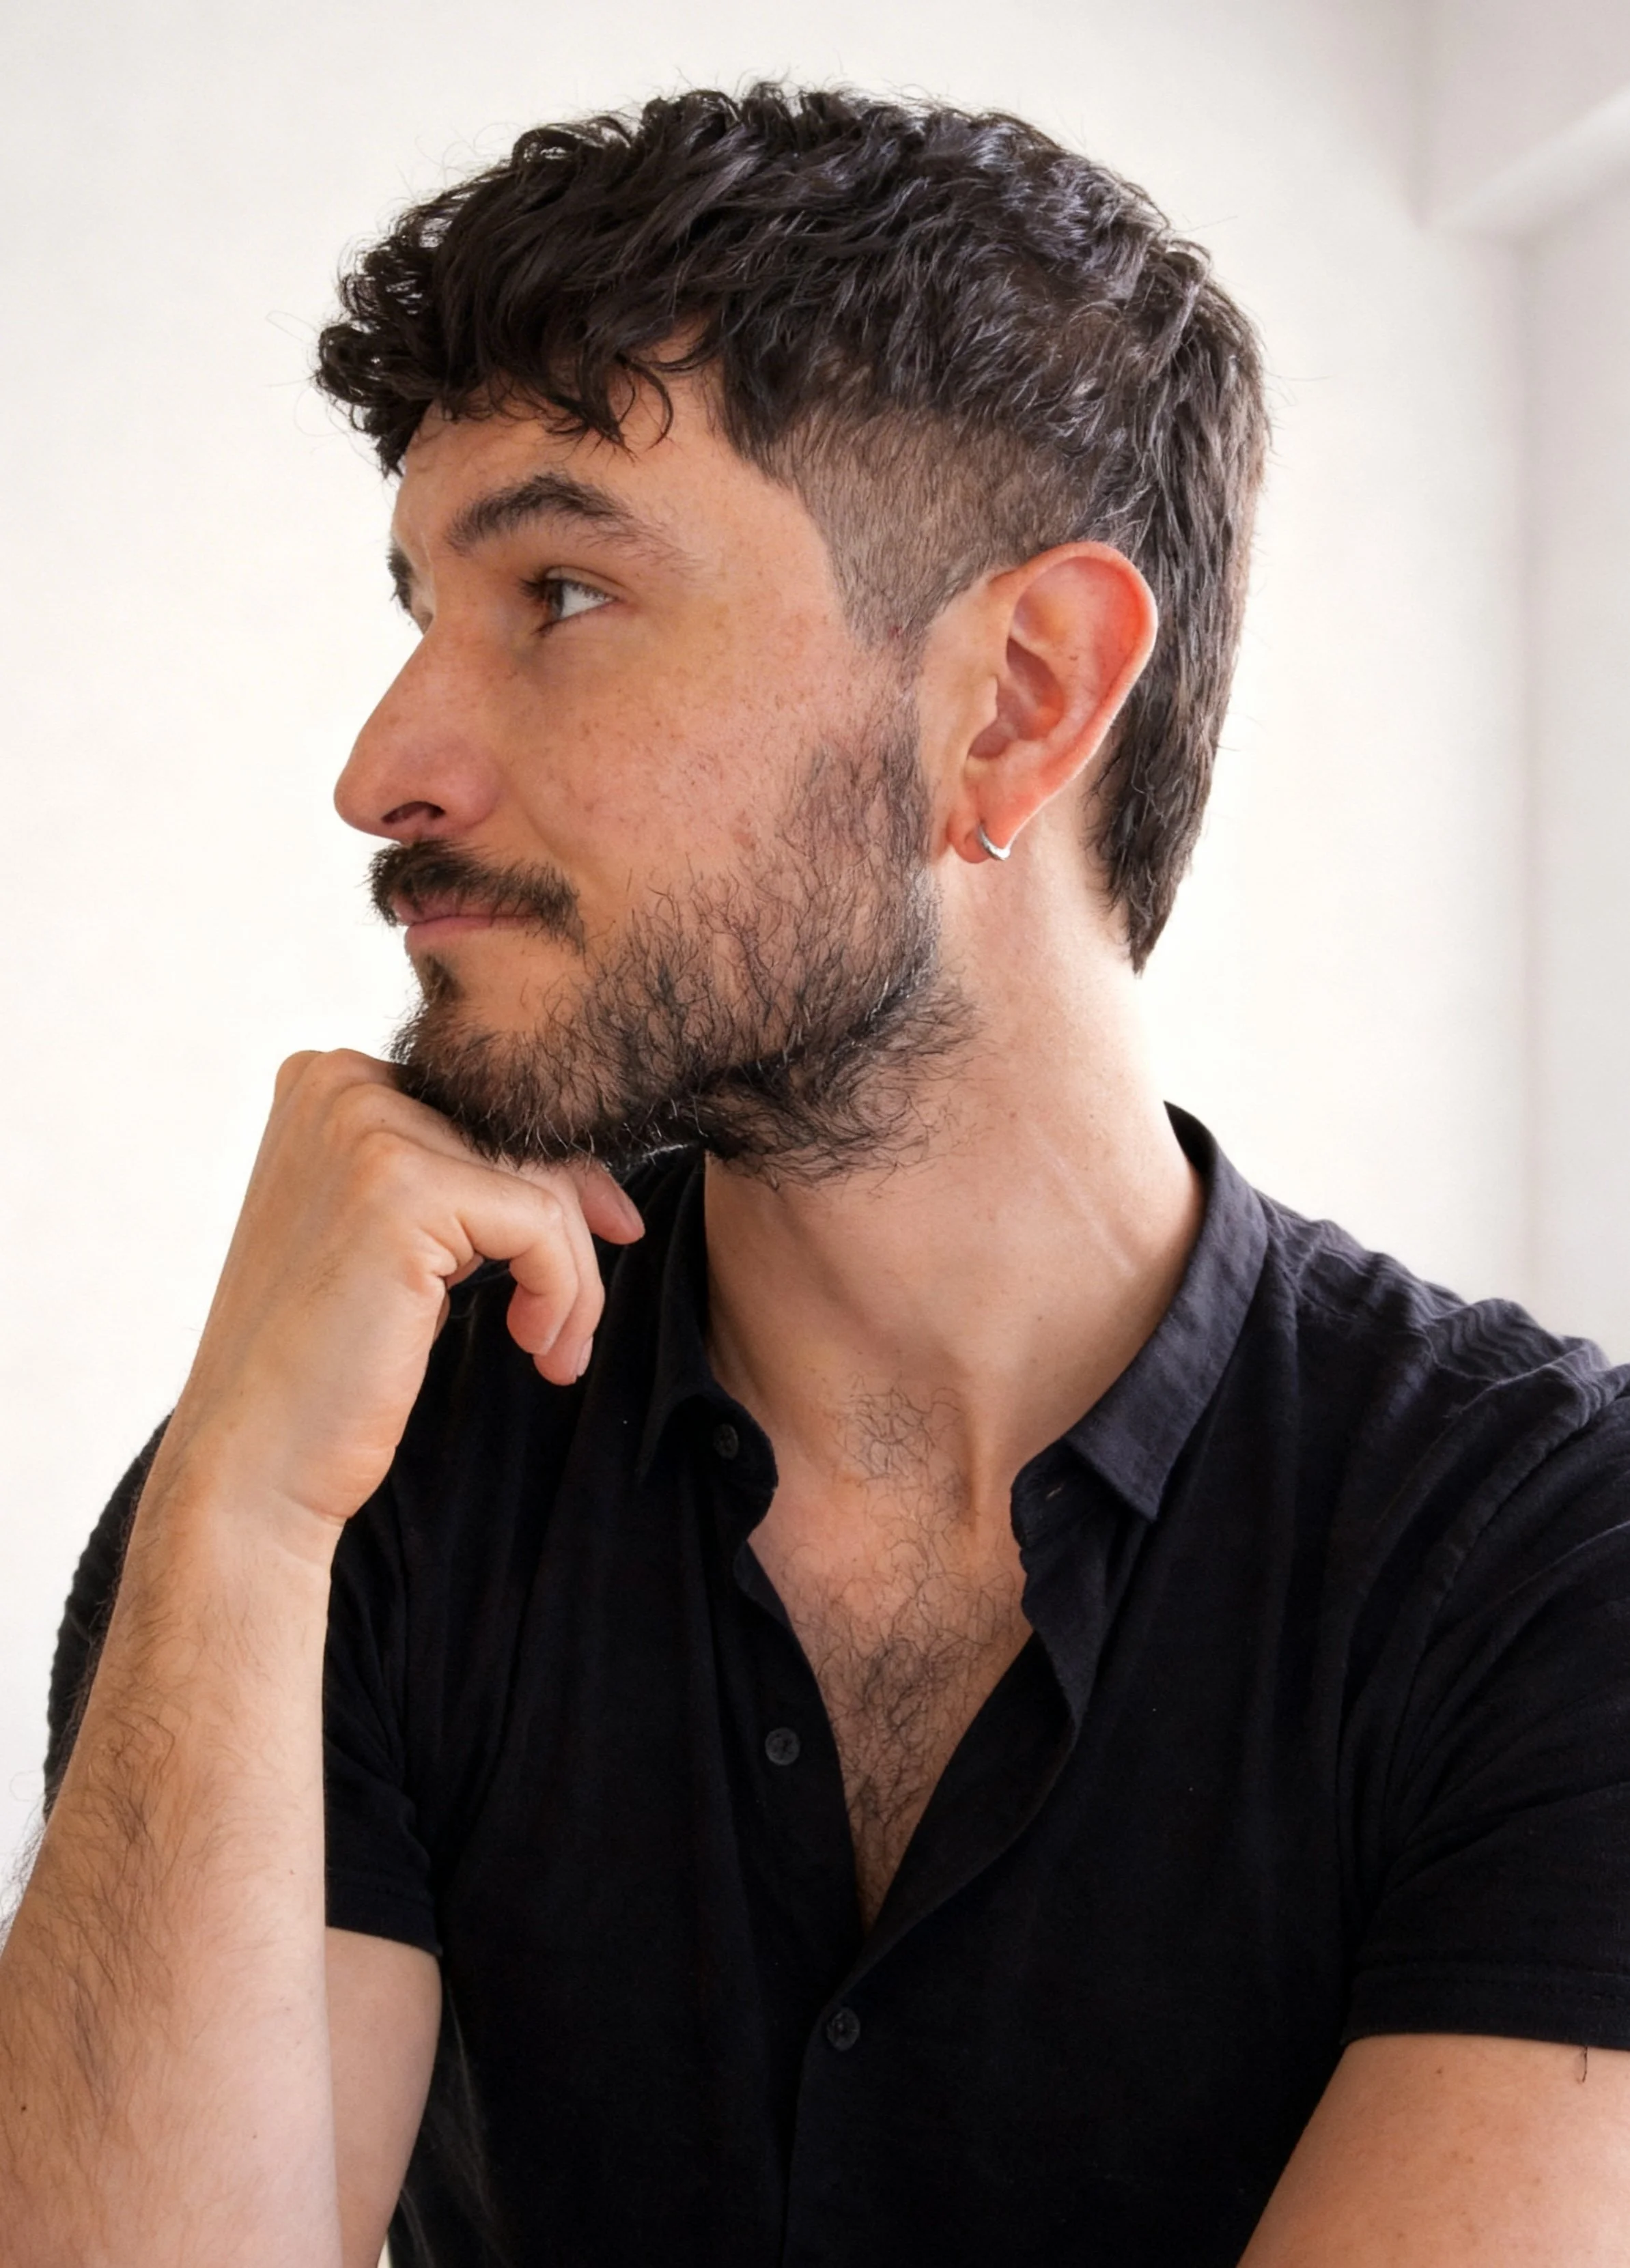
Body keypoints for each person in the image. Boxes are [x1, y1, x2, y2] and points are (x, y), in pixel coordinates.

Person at [5, 81, 1630, 2268]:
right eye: (418, 606)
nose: (385, 769)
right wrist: (231, 1511)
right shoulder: (344, 1483)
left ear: (1017, 701)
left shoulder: (1552, 1572)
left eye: (560, 591)